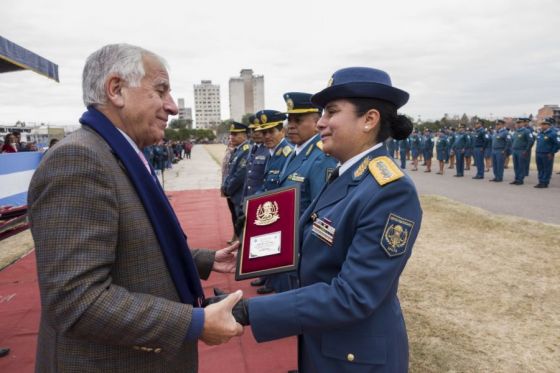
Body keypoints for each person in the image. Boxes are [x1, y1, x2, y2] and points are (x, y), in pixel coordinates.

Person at [27, 43, 243, 372]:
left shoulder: (118, 153)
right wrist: (192, 323)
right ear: (116, 90)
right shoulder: (80, 160)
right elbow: (77, 299)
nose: (172, 107)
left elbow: (136, 240)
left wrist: (203, 259)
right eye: (161, 90)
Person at [209, 67, 422, 372]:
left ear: (369, 120)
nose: (321, 121)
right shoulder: (346, 173)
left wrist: (247, 311)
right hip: (326, 342)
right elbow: (312, 244)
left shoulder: (389, 190)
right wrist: (252, 256)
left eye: (332, 111)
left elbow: (354, 295)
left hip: (355, 357)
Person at [266, 92, 337, 293]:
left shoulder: (322, 157)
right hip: (285, 245)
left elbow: (322, 214)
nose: (291, 125)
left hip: (301, 251)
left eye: (298, 119)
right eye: (289, 119)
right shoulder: (296, 152)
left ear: (317, 122)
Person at [252, 109, 293, 294]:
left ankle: (276, 286)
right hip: (269, 211)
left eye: (271, 131)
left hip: (280, 213)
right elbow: (267, 184)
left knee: (279, 254)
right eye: (264, 132)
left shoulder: (287, 154)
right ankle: (270, 280)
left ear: (282, 131)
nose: (266, 136)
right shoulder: (272, 153)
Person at [221, 122, 250, 240]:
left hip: (239, 192)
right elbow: (229, 170)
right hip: (233, 192)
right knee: (235, 217)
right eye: (231, 134)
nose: (231, 137)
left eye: (235, 134)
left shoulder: (246, 150)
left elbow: (240, 175)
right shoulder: (237, 150)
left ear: (244, 135)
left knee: (241, 221)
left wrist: (228, 188)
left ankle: (241, 245)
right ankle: (238, 240)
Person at [534, 118, 559, 188]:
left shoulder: (553, 133)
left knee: (547, 169)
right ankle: (540, 181)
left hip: (547, 154)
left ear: (549, 125)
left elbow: (557, 144)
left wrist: (552, 152)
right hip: (538, 153)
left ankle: (545, 182)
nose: (542, 126)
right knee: (540, 168)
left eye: (544, 124)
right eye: (542, 124)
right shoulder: (540, 133)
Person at [511, 118, 532, 185]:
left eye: (520, 123)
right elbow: (513, 140)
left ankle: (520, 180)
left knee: (521, 166)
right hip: (515, 150)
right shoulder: (516, 131)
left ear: (523, 123)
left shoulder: (526, 131)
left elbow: (530, 141)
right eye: (517, 123)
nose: (518, 124)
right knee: (516, 165)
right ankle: (516, 178)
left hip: (521, 150)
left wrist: (526, 150)